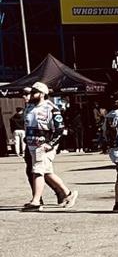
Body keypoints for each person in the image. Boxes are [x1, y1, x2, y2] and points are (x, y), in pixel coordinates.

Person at [21, 82, 76, 211]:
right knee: (46, 172)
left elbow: (59, 129)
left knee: (38, 171)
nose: (31, 95)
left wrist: (50, 144)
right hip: (31, 145)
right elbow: (27, 125)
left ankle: (36, 202)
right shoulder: (29, 108)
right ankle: (67, 194)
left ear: (42, 94)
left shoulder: (51, 108)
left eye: (34, 92)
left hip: (43, 145)